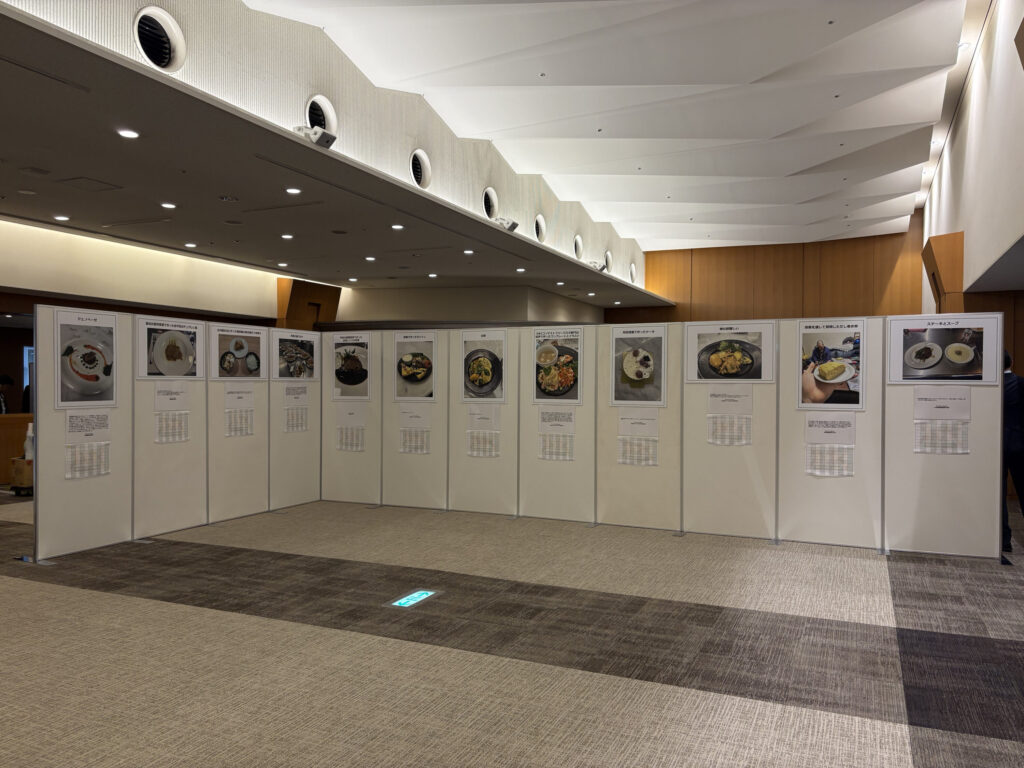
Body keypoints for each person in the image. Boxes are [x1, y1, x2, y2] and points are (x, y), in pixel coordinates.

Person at [1002, 352, 1024, 552]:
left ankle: (1004, 540)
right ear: (1012, 362)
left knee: (999, 494)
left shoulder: (993, 387)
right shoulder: (1020, 383)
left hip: (996, 446)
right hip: (1019, 444)